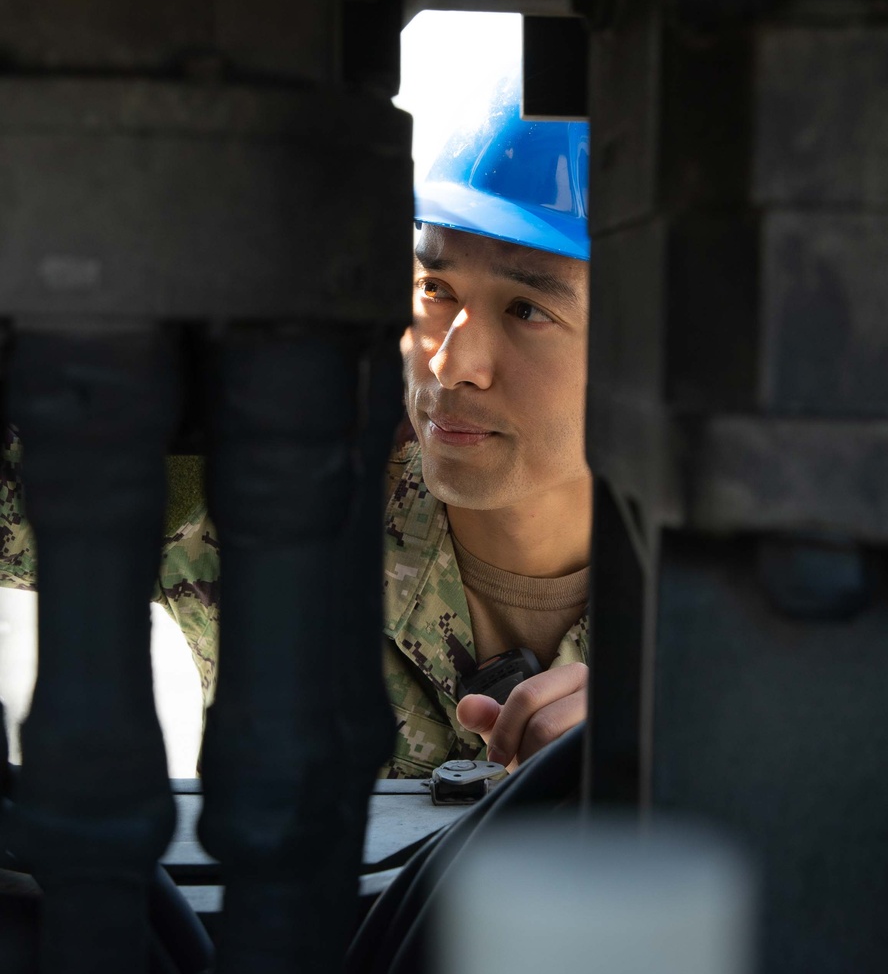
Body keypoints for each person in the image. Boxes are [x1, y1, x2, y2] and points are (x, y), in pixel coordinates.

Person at [0, 75, 591, 778]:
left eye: (527, 310)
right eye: (436, 290)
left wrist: (680, 750)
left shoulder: (717, 594)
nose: (451, 362)